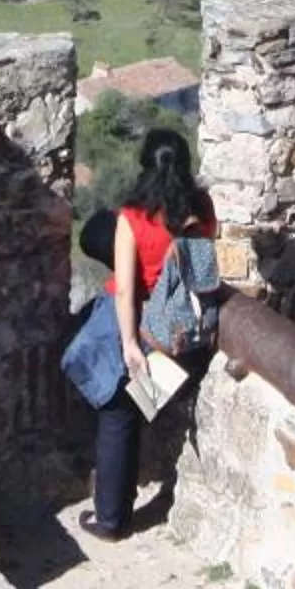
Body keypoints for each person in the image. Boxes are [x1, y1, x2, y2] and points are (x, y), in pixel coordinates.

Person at [80, 128, 214, 542]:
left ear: (143, 166)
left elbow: (124, 288)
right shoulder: (202, 210)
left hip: (148, 333)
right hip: (185, 339)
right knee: (137, 407)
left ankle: (110, 520)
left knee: (118, 411)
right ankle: (119, 507)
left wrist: (129, 346)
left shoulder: (133, 219)